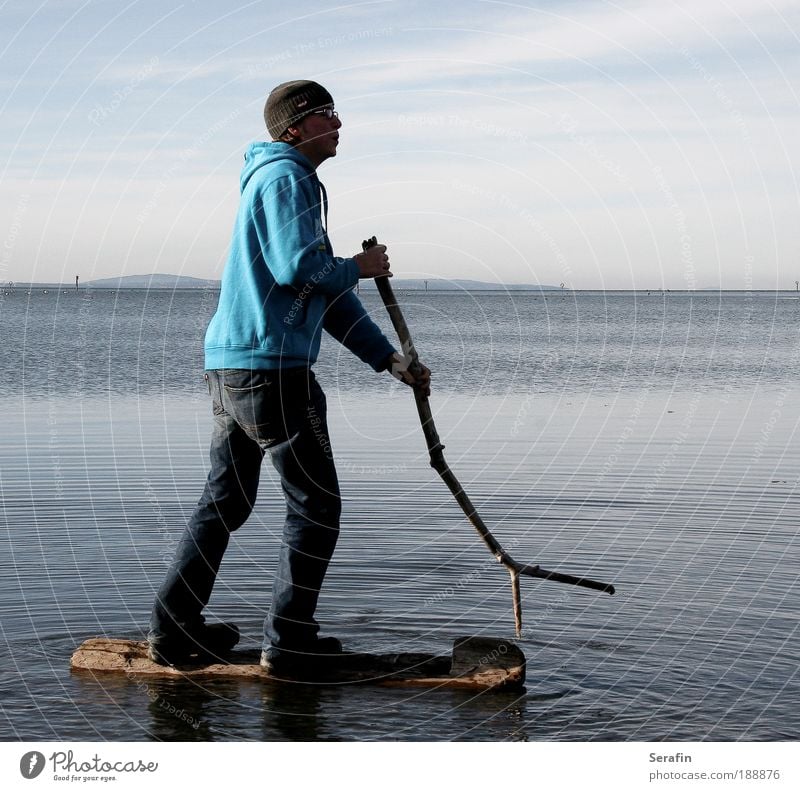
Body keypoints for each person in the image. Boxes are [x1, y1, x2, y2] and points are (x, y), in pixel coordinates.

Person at [147, 80, 430, 673]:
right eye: (328, 114)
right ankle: (290, 642)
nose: (339, 123)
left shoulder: (285, 180)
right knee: (317, 503)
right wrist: (359, 265)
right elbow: (299, 268)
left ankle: (173, 633)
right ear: (296, 127)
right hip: (272, 372)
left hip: (236, 365)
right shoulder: (287, 178)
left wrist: (388, 360)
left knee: (225, 501)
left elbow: (321, 292)